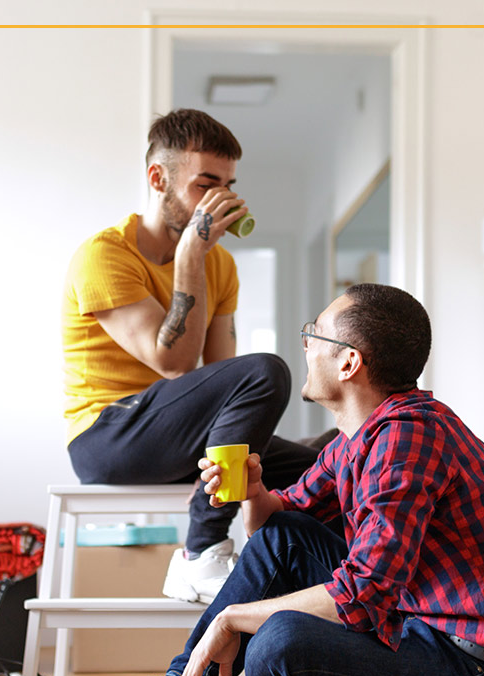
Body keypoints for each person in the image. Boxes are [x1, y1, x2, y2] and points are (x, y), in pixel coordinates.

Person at [60, 283, 484, 676]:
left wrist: (232, 616)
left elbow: (363, 593)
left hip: (481, 671)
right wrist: (254, 490)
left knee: (281, 641)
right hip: (427, 627)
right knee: (288, 541)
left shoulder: (408, 437)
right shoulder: (361, 437)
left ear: (348, 362)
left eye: (315, 332)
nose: (306, 342)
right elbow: (276, 528)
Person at [62, 108, 319, 603]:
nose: (221, 200)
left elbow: (222, 374)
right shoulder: (105, 255)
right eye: (206, 184)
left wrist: (200, 259)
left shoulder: (220, 264)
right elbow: (175, 363)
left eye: (228, 185)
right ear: (158, 178)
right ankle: (201, 550)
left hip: (173, 434)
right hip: (106, 435)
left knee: (326, 465)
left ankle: (284, 581)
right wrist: (189, 257)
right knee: (268, 369)